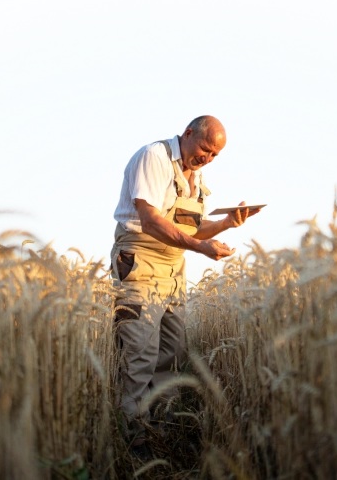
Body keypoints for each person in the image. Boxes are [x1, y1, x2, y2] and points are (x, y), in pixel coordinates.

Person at [109, 114, 260, 451]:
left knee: (171, 354)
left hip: (174, 268)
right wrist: (200, 249)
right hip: (139, 262)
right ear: (188, 134)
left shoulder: (196, 176)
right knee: (140, 356)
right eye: (205, 149)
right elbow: (150, 221)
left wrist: (224, 224)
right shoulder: (154, 157)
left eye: (215, 156)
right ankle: (135, 445)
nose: (207, 159)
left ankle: (163, 437)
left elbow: (191, 229)